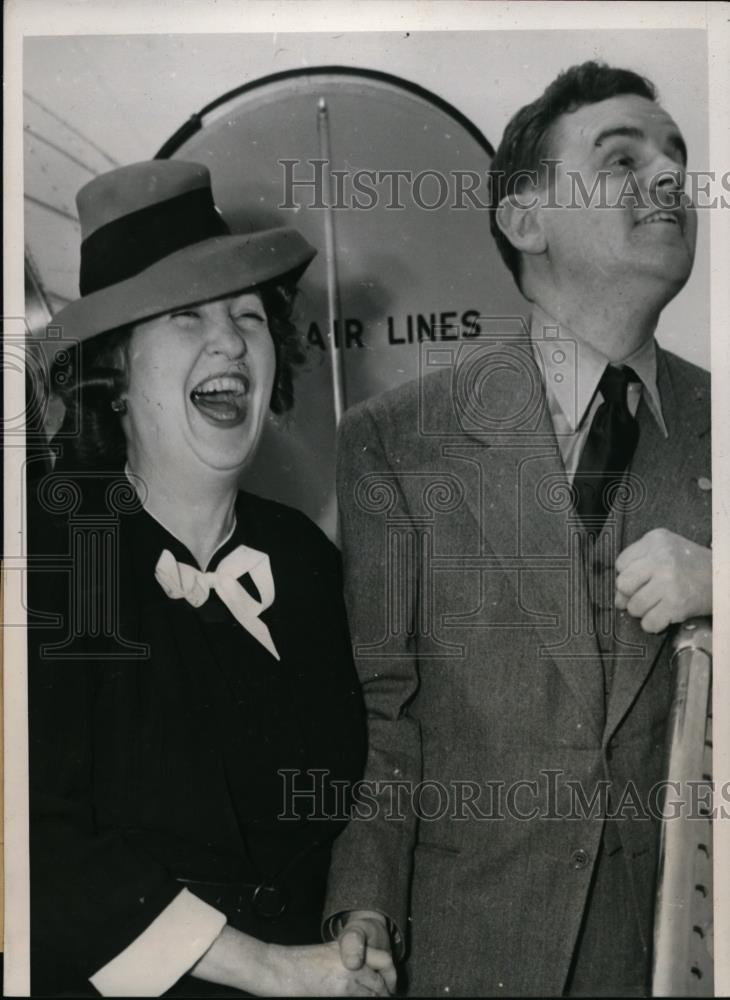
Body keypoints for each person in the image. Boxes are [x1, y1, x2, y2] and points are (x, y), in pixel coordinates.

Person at [323, 62, 712, 996]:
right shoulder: (394, 442)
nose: (669, 179)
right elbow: (386, 713)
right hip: (469, 957)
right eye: (621, 159)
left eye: (675, 159)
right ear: (525, 221)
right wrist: (365, 904)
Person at [27, 160, 395, 997]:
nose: (229, 340)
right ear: (113, 374)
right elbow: (29, 842)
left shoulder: (302, 557)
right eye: (186, 316)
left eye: (247, 316)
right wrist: (266, 968)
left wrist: (357, 918)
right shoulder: (56, 549)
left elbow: (362, 788)